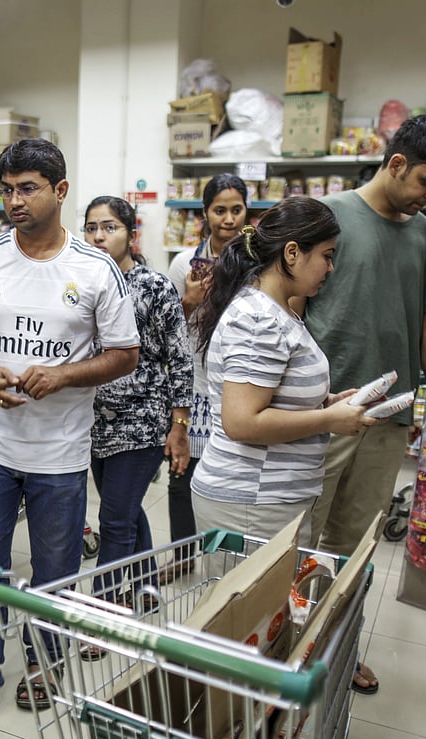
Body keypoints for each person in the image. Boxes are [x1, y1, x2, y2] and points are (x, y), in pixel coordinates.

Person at [0, 139, 139, 735]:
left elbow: (125, 354)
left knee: (54, 570)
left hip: (60, 451)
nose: (14, 201)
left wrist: (64, 375)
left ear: (60, 191)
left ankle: (45, 663)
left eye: (28, 188)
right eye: (7, 190)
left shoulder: (96, 270)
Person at [296, 112, 426, 694]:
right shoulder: (329, 216)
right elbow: (288, 309)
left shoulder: (423, 236)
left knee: (354, 545)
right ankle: (285, 648)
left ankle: (335, 648)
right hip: (322, 412)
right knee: (298, 537)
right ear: (396, 163)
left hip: (389, 416)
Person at [191, 197, 371, 545]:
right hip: (250, 501)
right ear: (292, 253)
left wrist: (326, 403)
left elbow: (272, 393)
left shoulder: (277, 310)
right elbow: (242, 422)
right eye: (327, 255)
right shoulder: (259, 319)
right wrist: (328, 420)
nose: (330, 268)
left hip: (267, 499)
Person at [83, 196, 192, 602]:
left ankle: (102, 609)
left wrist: (178, 427)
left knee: (113, 519)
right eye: (91, 228)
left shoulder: (154, 286)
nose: (98, 236)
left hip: (142, 421)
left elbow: (180, 359)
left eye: (109, 227)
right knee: (125, 509)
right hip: (93, 421)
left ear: (131, 234)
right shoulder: (83, 283)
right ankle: (147, 586)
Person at [165, 174, 250, 575]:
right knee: (181, 475)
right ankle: (183, 558)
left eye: (236, 210)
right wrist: (189, 299)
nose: (229, 219)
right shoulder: (184, 264)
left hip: (237, 386)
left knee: (231, 477)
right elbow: (166, 328)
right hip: (194, 385)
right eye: (220, 210)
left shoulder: (256, 263)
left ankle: (230, 559)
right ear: (205, 214)